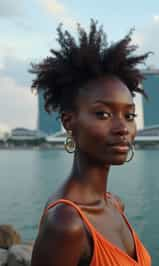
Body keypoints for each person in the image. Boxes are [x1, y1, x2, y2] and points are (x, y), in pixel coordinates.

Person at [30, 19, 151, 266]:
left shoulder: (115, 203)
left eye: (129, 116)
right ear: (69, 121)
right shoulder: (67, 223)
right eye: (103, 114)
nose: (122, 129)